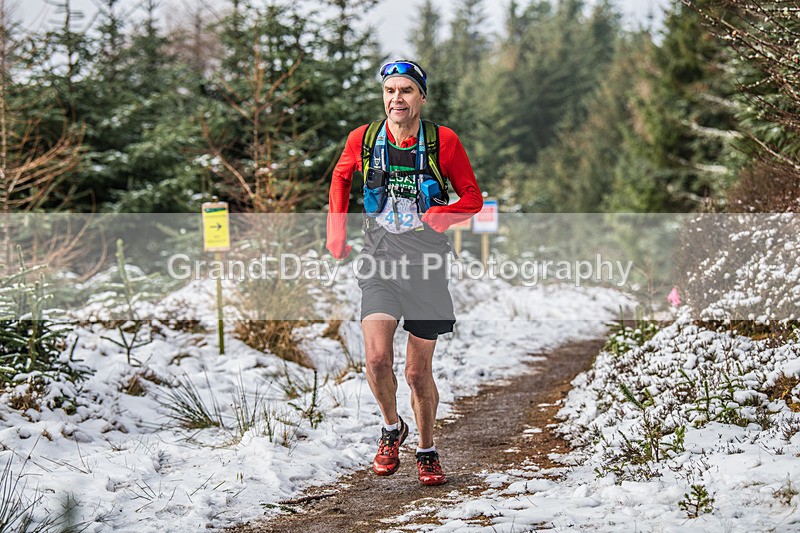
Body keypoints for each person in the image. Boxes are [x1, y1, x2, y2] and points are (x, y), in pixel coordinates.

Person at [326, 60, 483, 486]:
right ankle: (392, 427)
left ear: (421, 97)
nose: (397, 98)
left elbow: (472, 198)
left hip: (427, 265)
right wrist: (336, 232)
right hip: (379, 258)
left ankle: (427, 450)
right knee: (376, 359)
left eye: (406, 91)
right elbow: (341, 179)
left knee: (416, 373)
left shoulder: (443, 142)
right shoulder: (364, 138)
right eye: (390, 91)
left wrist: (443, 216)